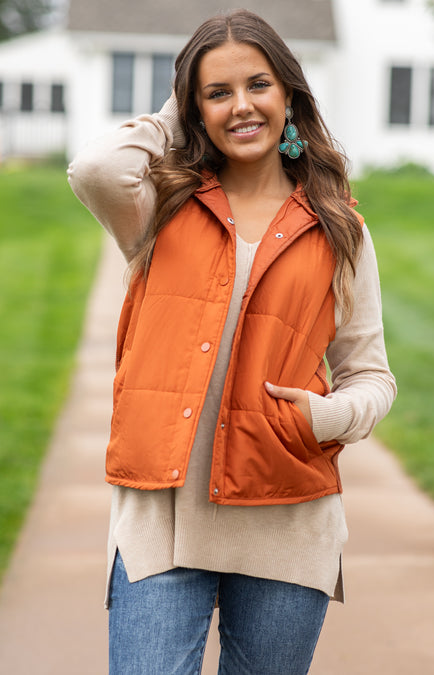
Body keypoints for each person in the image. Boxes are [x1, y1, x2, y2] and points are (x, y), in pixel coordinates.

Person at [68, 9, 396, 675]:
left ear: (290, 96)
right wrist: (176, 107)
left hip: (288, 520)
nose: (241, 106)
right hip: (160, 523)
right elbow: (96, 166)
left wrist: (325, 415)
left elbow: (371, 375)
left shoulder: (341, 232)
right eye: (217, 93)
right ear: (193, 109)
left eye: (258, 85)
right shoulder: (158, 206)